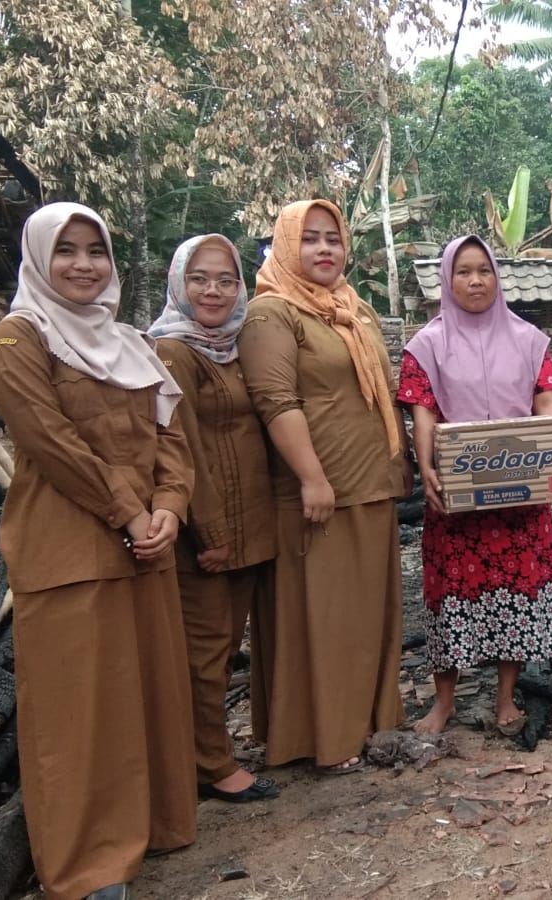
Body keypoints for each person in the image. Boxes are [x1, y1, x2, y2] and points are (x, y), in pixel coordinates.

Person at [0, 202, 197, 900]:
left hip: (144, 547)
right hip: (69, 550)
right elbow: (55, 446)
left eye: (94, 250)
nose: (81, 264)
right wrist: (132, 513)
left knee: (147, 698)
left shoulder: (131, 343)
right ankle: (88, 868)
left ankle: (151, 828)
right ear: (39, 260)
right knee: (78, 715)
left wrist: (169, 507)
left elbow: (172, 441)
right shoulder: (17, 343)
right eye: (65, 251)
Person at [237, 200, 409, 774]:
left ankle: (369, 722)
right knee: (327, 619)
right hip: (319, 492)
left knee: (367, 617)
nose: (324, 250)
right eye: (309, 239)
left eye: (332, 239)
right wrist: (312, 477)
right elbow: (275, 401)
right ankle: (327, 737)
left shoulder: (353, 309)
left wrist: (399, 460)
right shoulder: (271, 313)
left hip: (369, 485)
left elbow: (380, 392)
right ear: (286, 246)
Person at [400, 235, 552, 735]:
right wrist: (426, 464)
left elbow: (547, 400)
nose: (475, 281)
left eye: (484, 271)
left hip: (521, 495)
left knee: (517, 590)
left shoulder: (529, 339)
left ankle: (504, 698)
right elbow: (423, 411)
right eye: (464, 272)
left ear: (497, 277)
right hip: (457, 495)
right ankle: (444, 701)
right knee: (450, 592)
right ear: (447, 281)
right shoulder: (426, 345)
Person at [149, 234, 281, 804]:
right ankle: (210, 764)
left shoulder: (229, 346)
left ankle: (204, 753)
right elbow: (182, 452)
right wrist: (212, 534)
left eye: (226, 280)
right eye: (200, 278)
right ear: (179, 281)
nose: (213, 290)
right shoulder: (173, 352)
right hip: (208, 533)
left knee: (224, 648)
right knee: (204, 654)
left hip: (247, 526)